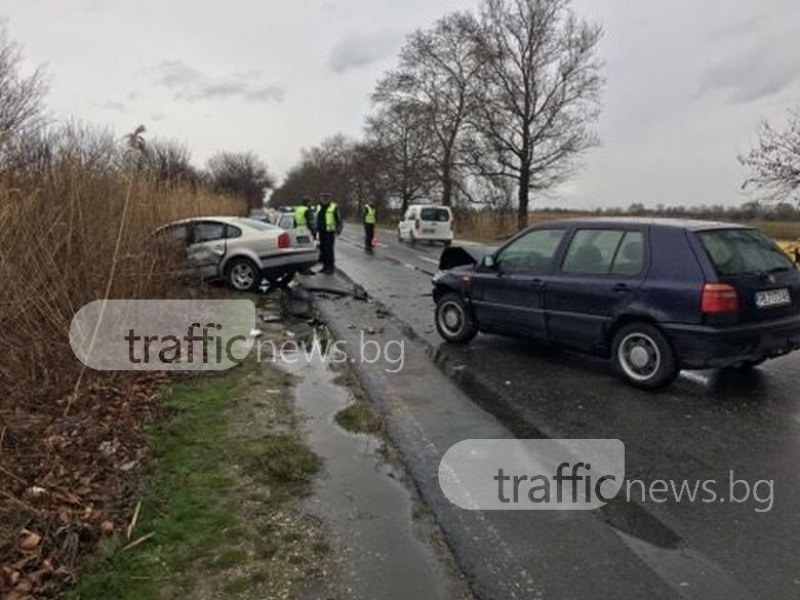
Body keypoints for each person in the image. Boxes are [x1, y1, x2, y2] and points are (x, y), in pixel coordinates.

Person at [316, 193, 342, 274]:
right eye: (322, 198)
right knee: (323, 250)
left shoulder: (333, 207)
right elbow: (317, 218)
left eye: (326, 198)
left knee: (329, 251)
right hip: (321, 231)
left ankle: (331, 268)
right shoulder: (318, 207)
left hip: (329, 232)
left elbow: (339, 219)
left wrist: (339, 230)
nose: (324, 199)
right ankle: (325, 267)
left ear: (329, 199)